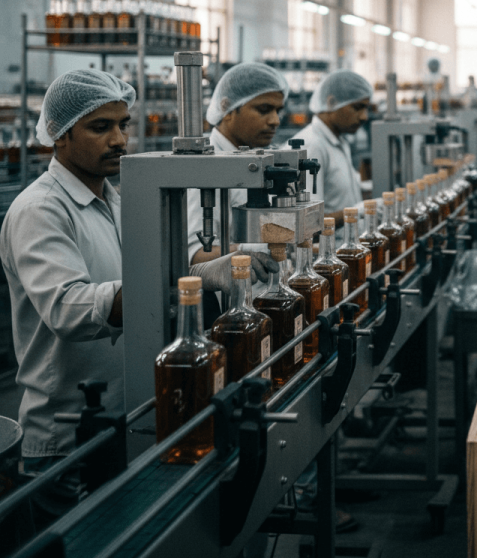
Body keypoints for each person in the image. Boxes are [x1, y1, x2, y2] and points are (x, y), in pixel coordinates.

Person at [0, 69, 275, 524]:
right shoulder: (39, 209)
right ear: (59, 135)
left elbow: (151, 273)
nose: (118, 139)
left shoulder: (117, 199)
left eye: (123, 124)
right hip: (68, 436)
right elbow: (67, 309)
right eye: (99, 126)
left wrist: (206, 271)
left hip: (129, 414)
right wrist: (171, 287)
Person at [187, 62, 290, 265]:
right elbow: (194, 254)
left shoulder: (252, 157)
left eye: (278, 110)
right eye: (264, 109)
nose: (275, 121)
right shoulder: (203, 166)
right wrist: (244, 251)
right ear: (227, 108)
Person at [291, 70, 373, 226]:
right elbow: (308, 221)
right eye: (358, 107)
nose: (364, 117)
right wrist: (358, 212)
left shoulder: (340, 141)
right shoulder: (312, 146)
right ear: (331, 102)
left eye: (366, 108)